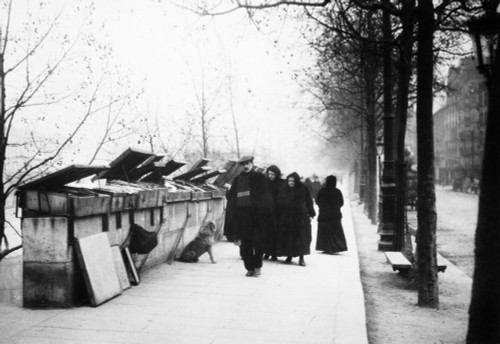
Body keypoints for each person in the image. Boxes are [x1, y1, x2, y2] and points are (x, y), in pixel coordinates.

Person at [225, 156, 275, 277]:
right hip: (243, 218)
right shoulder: (238, 179)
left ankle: (257, 266)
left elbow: (267, 197)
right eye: (243, 165)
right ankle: (249, 267)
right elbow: (232, 198)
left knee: (258, 244)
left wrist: (265, 213)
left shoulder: (260, 177)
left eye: (247, 163)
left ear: (252, 164)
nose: (245, 166)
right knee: (245, 245)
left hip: (257, 218)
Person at [276, 172, 316, 266]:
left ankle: (301, 258)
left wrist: (311, 214)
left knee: (301, 238)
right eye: (289, 180)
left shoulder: (303, 189)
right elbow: (279, 201)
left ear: (296, 181)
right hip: (287, 217)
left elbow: (309, 202)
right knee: (289, 237)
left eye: (292, 181)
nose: (290, 183)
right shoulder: (284, 189)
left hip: (300, 217)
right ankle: (289, 255)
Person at [315, 175, 348, 254]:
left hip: (324, 215)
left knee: (324, 231)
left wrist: (323, 207)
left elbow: (317, 201)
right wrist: (335, 207)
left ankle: (325, 247)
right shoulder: (337, 191)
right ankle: (335, 247)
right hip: (335, 215)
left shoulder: (322, 191)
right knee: (335, 231)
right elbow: (341, 203)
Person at [263, 165, 284, 261]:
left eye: (273, 174)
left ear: (277, 174)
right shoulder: (265, 183)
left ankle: (274, 253)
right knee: (267, 233)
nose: (270, 176)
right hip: (267, 212)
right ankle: (267, 252)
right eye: (269, 174)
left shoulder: (281, 184)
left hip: (277, 212)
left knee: (275, 233)